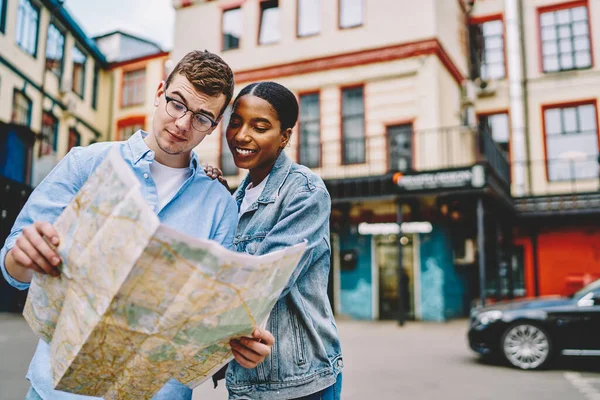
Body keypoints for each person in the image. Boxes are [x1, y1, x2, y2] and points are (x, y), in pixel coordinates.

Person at [0, 50, 274, 400]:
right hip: (58, 391)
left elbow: (213, 315)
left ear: (215, 126)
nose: (182, 125)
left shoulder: (219, 205)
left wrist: (240, 343)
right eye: (177, 104)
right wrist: (23, 258)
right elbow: (12, 266)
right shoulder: (86, 163)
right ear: (160, 92)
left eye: (203, 118)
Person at [221, 82, 343, 399]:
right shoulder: (233, 200)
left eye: (259, 127)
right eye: (235, 121)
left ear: (285, 136)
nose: (241, 135)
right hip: (245, 380)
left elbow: (266, 280)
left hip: (300, 381)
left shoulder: (305, 192)